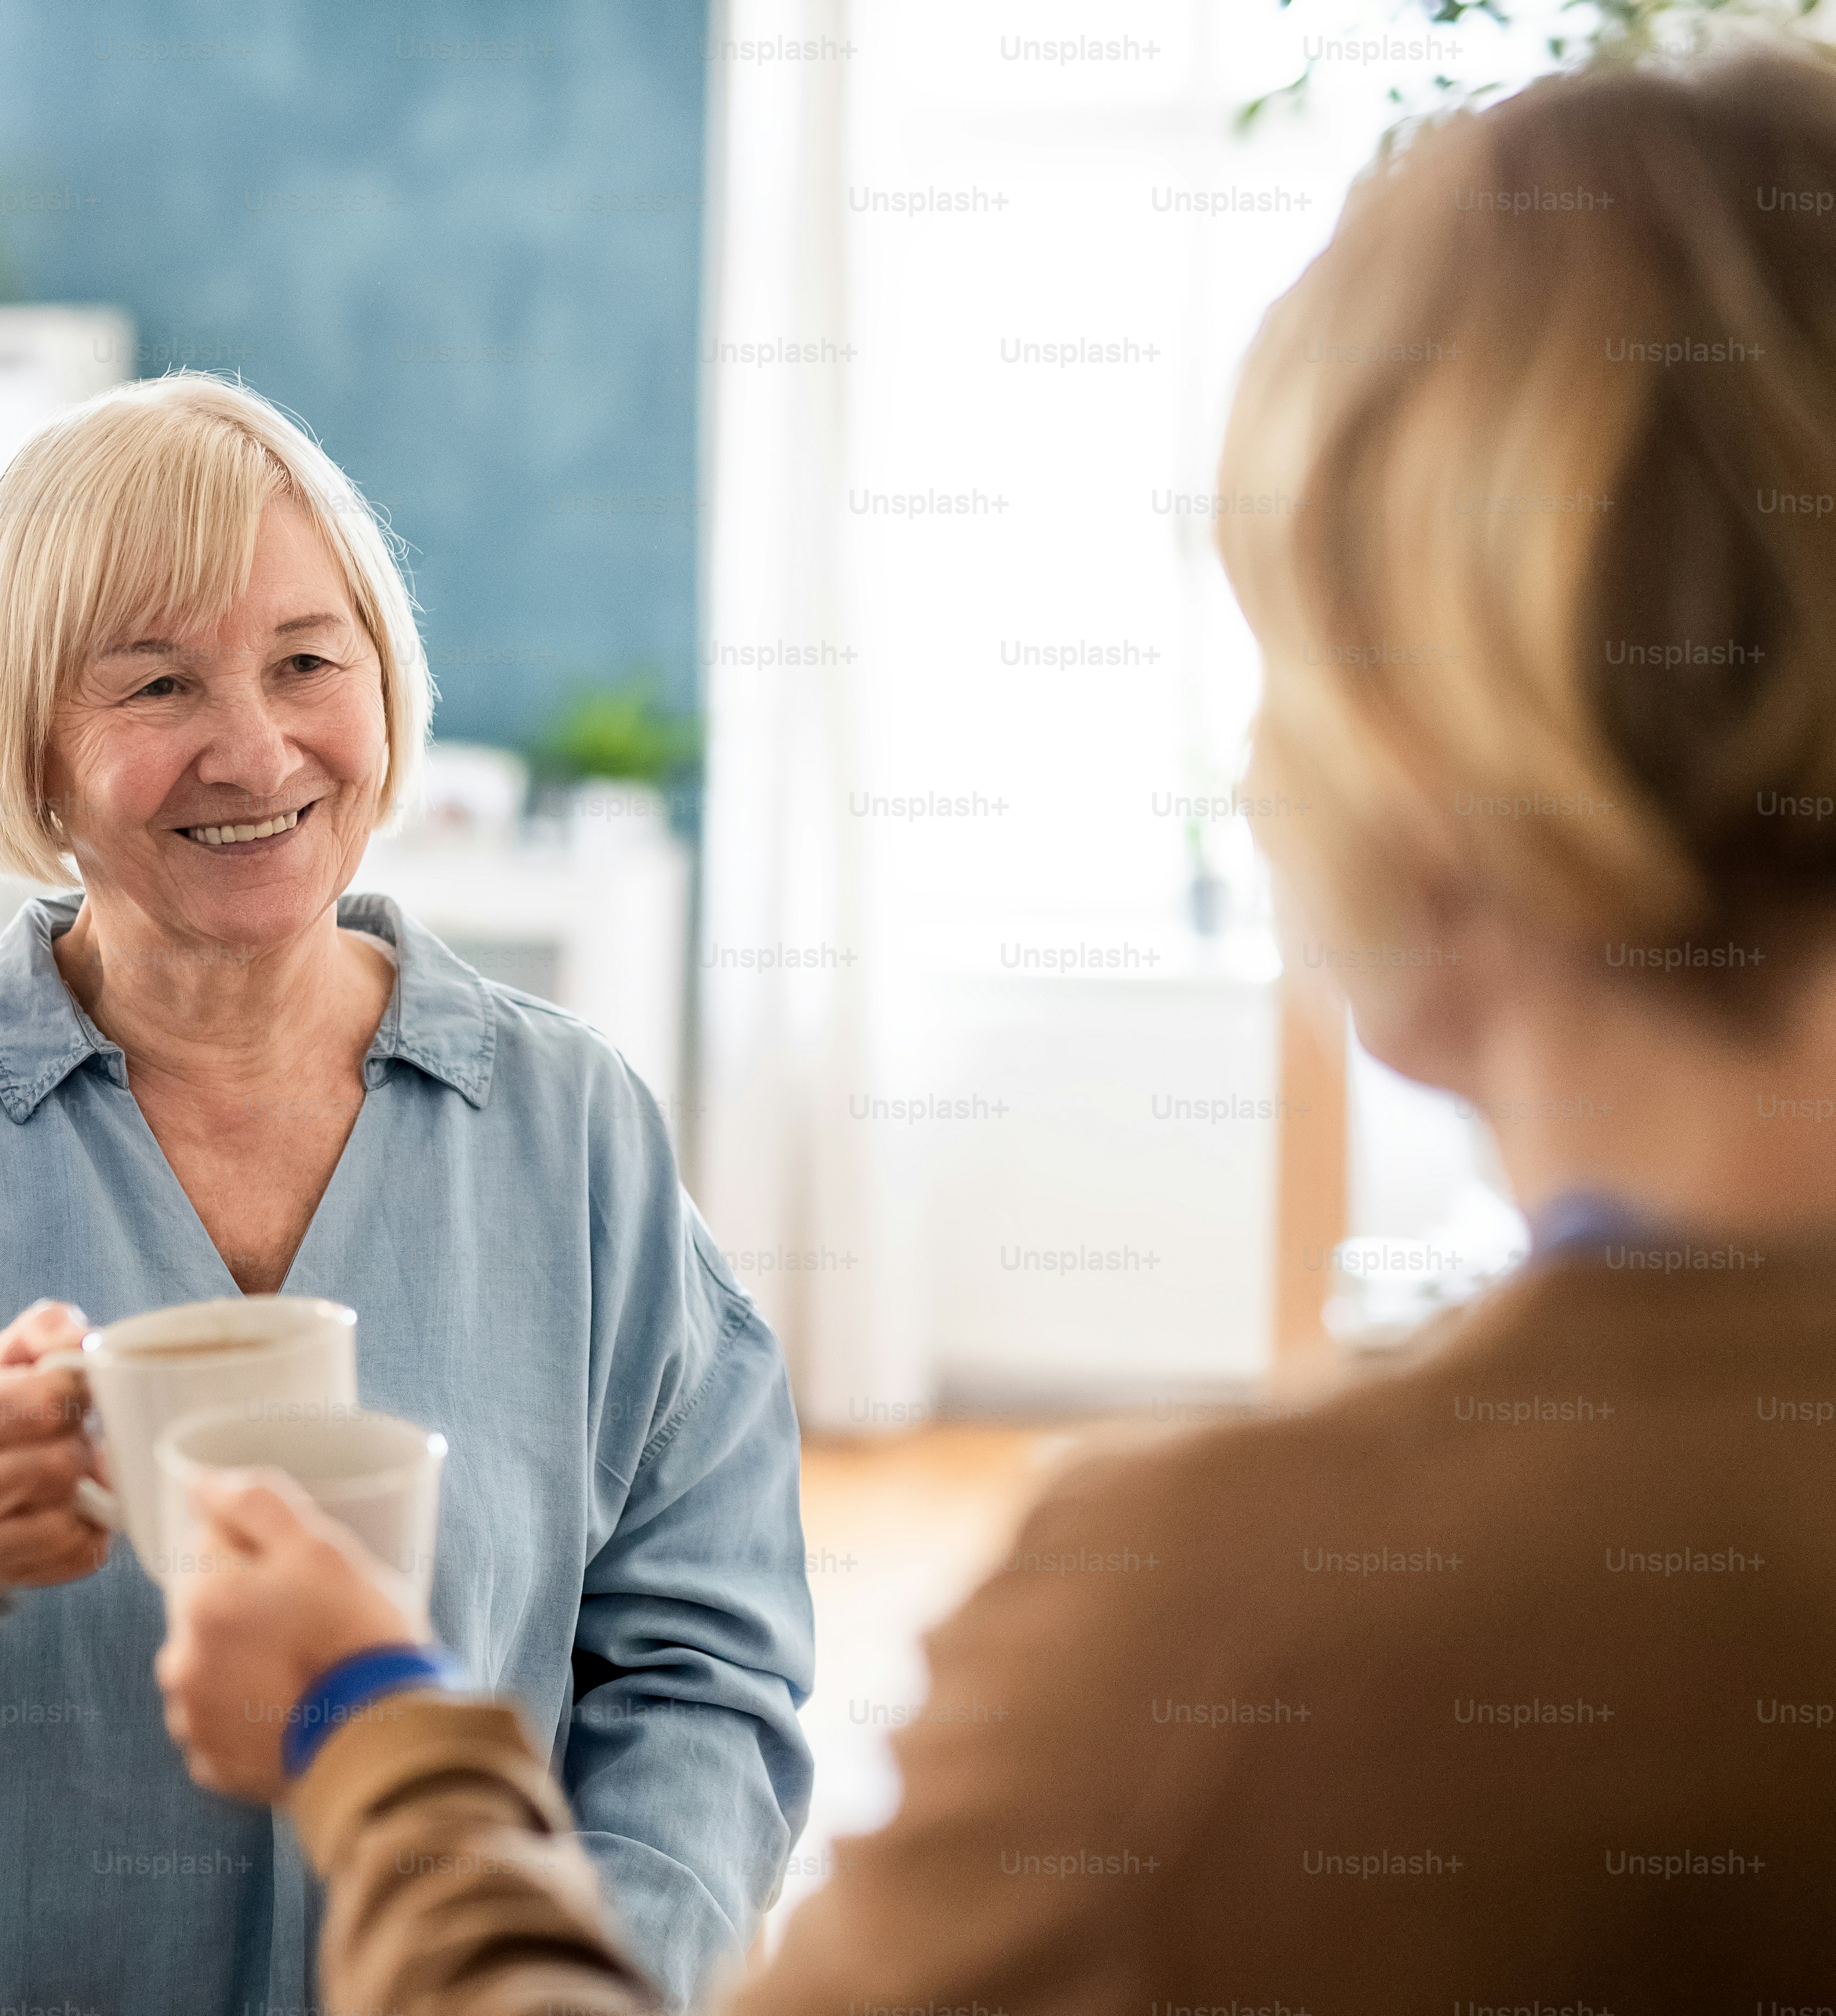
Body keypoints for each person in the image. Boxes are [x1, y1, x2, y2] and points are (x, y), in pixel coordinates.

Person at [156, 50, 1836, 2013]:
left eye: (1286, 650)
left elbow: (704, 1649)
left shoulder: (1243, 1636)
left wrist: (377, 1725)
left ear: (1445, 733)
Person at [0, 374, 814, 2014]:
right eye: (158, 683)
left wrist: (596, 1980)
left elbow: (705, 1684)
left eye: (309, 662)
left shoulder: (574, 1129)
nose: (255, 749)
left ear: (384, 683)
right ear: (28, 742)